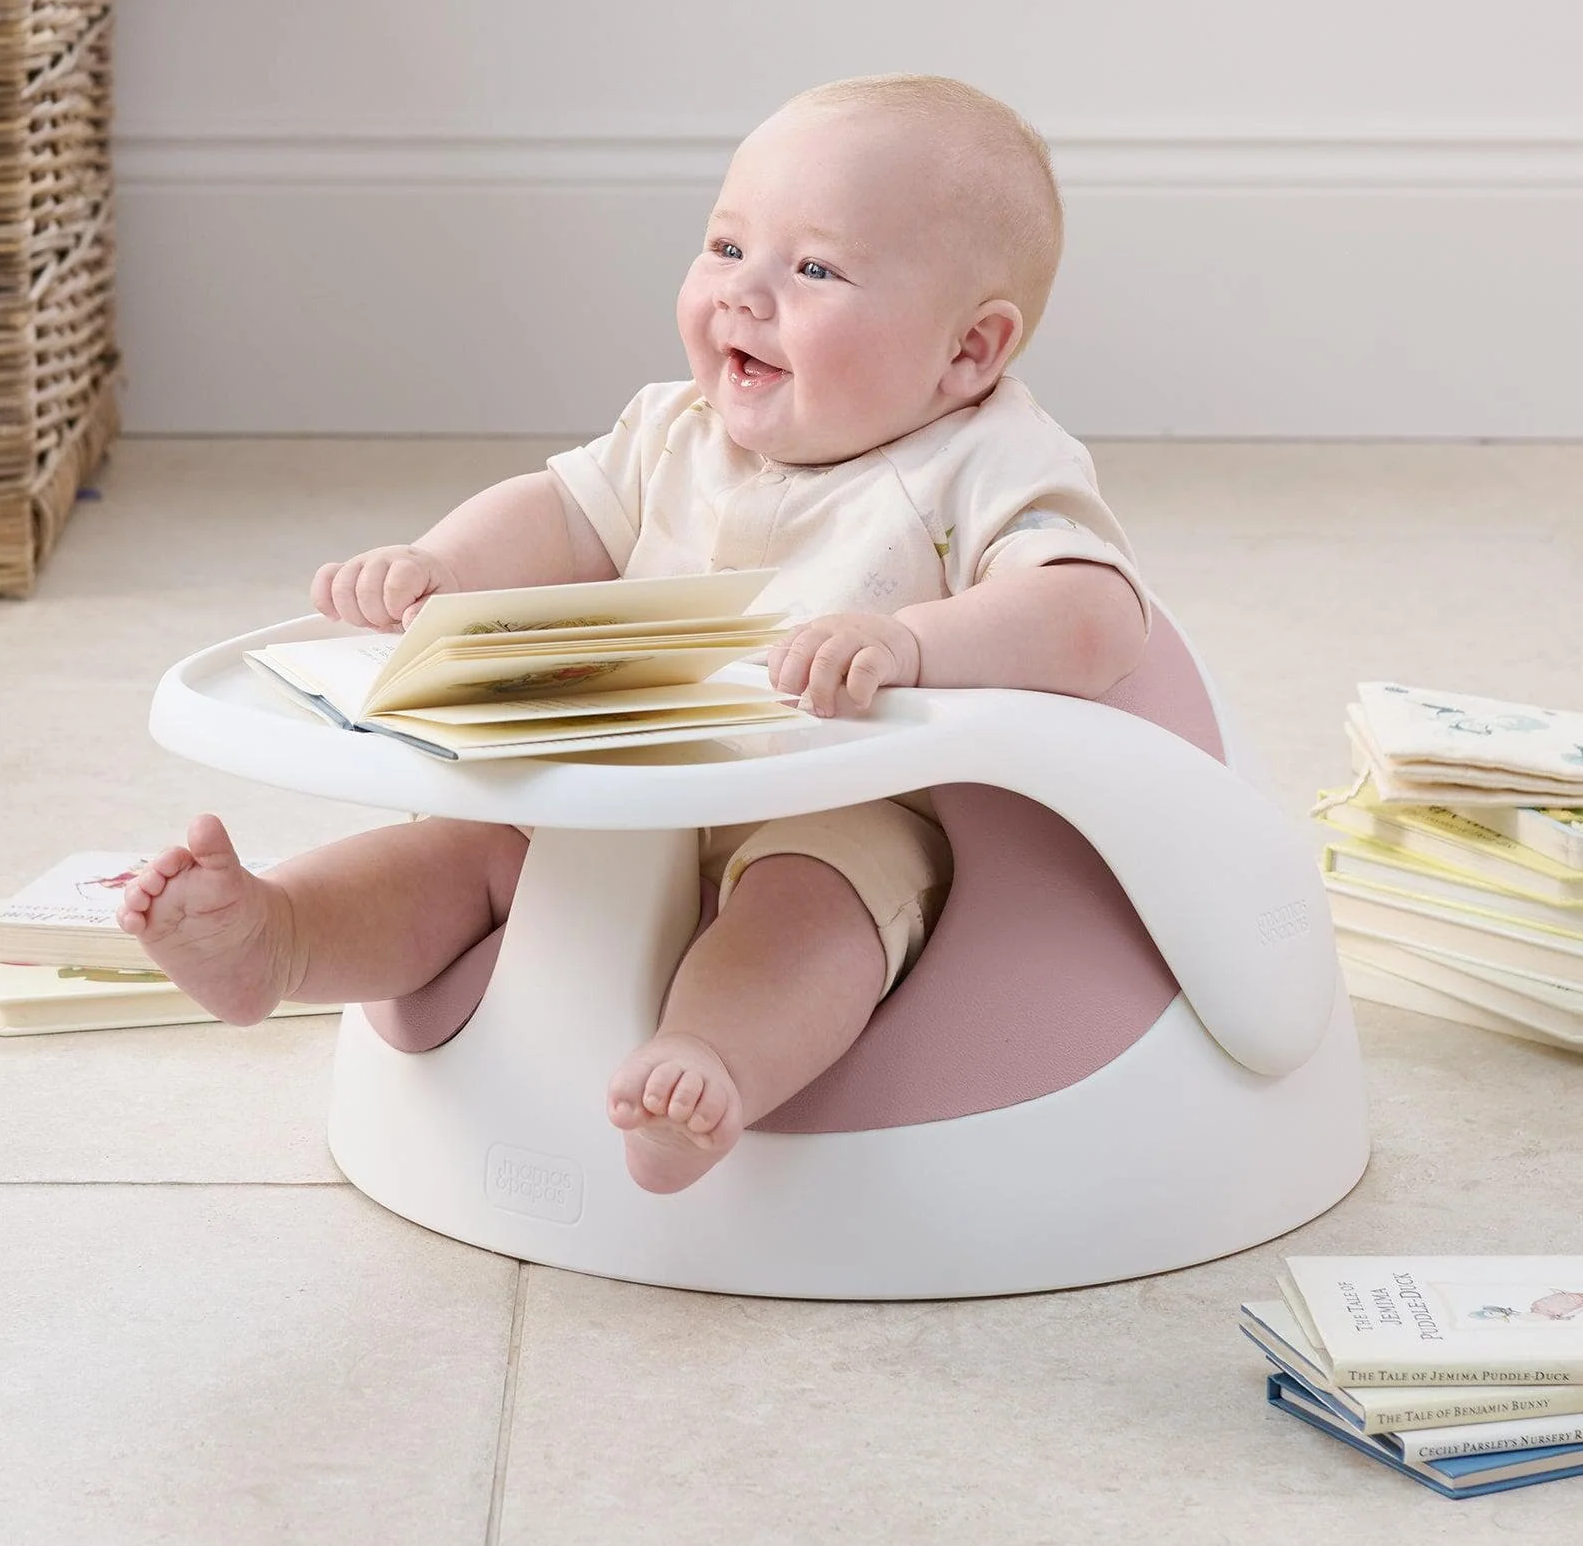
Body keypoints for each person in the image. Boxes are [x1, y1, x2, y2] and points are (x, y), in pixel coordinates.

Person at [120, 74, 1149, 1193]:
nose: (741, 296)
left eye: (811, 269)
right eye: (723, 246)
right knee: (465, 843)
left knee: (814, 905)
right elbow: (558, 511)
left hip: (840, 801)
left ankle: (708, 1068)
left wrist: (913, 645)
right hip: (622, 774)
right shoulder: (676, 426)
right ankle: (276, 937)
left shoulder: (985, 459)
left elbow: (1089, 616)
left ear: (965, 351)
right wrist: (441, 568)